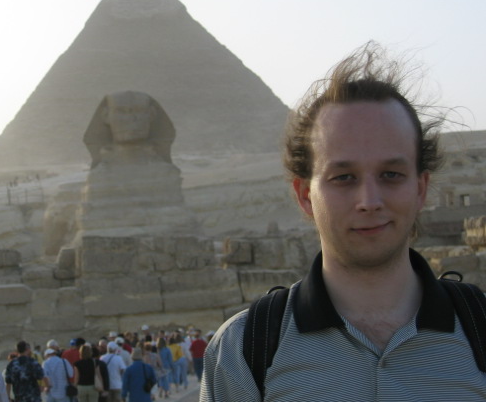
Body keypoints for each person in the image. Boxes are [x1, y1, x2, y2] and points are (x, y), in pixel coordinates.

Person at [200, 42, 486, 401]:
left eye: (391, 174)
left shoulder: (478, 330)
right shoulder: (242, 352)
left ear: (420, 188)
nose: (369, 201)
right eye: (343, 178)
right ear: (305, 195)